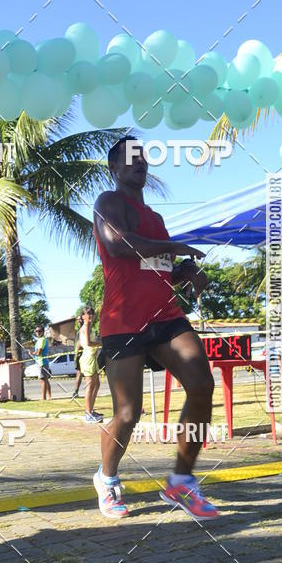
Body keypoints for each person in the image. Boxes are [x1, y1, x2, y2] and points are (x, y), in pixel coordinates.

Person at [92, 135, 218, 520]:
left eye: (144, 159)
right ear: (114, 168)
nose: (140, 164)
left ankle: (181, 482)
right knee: (128, 413)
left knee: (202, 384)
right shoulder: (108, 203)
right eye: (131, 159)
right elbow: (119, 245)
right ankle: (107, 479)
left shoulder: (157, 220)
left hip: (165, 317)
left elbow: (154, 269)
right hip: (123, 320)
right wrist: (176, 248)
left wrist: (184, 273)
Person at [78, 305, 104, 423]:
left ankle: (90, 410)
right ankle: (88, 414)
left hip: (91, 358)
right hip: (88, 359)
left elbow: (82, 343)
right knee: (90, 386)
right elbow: (88, 343)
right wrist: (100, 344)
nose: (91, 315)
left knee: (96, 385)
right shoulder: (87, 326)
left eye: (92, 313)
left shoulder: (86, 327)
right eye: (88, 313)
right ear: (83, 316)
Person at [33, 325, 52, 401]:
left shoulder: (42, 340)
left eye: (39, 331)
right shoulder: (39, 340)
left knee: (43, 380)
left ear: (43, 332)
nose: (37, 332)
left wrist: (32, 353)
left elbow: (39, 352)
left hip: (42, 363)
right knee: (45, 379)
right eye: (36, 331)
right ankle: (49, 396)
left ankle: (44, 398)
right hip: (41, 362)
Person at [72, 314, 84, 398]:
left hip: (82, 354)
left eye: (81, 319)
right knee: (79, 373)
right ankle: (76, 392)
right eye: (78, 319)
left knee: (86, 373)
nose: (79, 321)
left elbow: (81, 343)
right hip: (78, 354)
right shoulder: (79, 331)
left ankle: (76, 392)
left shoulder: (84, 329)